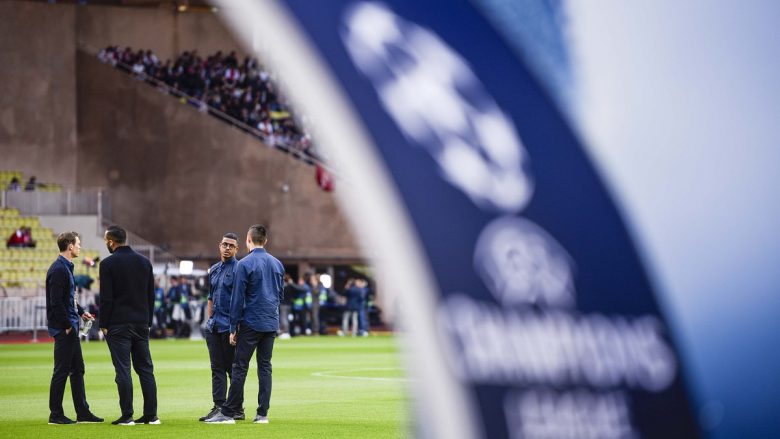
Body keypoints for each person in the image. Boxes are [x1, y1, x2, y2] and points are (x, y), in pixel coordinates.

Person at [206, 225, 284, 424]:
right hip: (270, 322)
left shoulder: (244, 264)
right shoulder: (277, 264)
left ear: (248, 240)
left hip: (250, 323)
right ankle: (262, 414)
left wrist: (233, 328)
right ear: (265, 241)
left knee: (239, 367)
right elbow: (280, 296)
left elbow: (237, 299)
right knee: (265, 367)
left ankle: (229, 412)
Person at [99, 225, 160, 425]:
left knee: (123, 370)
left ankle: (127, 416)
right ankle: (151, 415)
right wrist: (148, 321)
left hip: (118, 323)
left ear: (111, 241)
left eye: (106, 240)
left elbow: (107, 297)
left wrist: (103, 323)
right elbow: (150, 295)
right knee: (145, 370)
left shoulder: (107, 264)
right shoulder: (144, 262)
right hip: (142, 322)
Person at [45, 231, 103, 425]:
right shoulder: (59, 269)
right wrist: (68, 325)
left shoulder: (65, 267)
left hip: (70, 324)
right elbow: (56, 303)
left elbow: (68, 300)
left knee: (77, 369)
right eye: (77, 244)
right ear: (69, 246)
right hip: (65, 328)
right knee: (61, 370)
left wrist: (81, 312)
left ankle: (82, 412)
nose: (79, 247)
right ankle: (56, 414)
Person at [199, 233, 245, 421]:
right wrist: (209, 321)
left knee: (231, 369)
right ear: (219, 246)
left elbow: (241, 300)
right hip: (214, 326)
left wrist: (236, 328)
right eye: (224, 244)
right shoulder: (215, 269)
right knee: (216, 368)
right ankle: (219, 406)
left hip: (229, 327)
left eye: (231, 246)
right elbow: (210, 297)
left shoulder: (239, 270)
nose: (227, 248)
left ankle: (236, 409)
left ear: (236, 249)